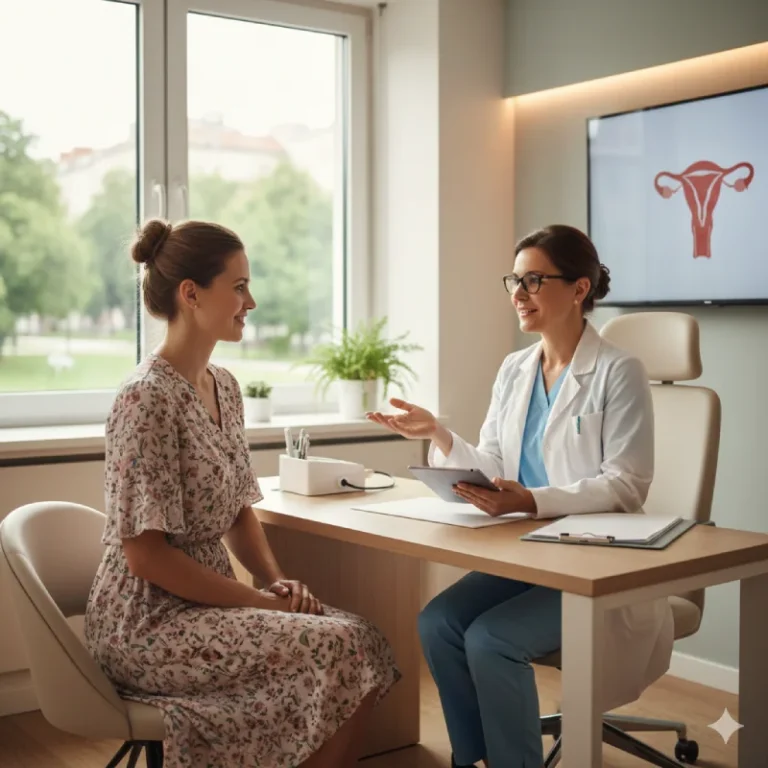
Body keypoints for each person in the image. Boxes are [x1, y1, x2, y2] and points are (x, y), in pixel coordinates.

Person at [84, 219, 400, 768]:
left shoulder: (225, 388)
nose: (250, 302)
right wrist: (257, 602)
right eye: (238, 287)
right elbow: (145, 556)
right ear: (191, 294)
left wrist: (275, 581)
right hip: (147, 621)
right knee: (337, 645)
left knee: (362, 636)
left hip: (208, 602)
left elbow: (237, 510)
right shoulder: (144, 399)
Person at [366, 224, 674, 768]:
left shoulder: (618, 371)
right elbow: (494, 462)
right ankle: (473, 758)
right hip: (526, 553)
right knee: (437, 623)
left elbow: (626, 485)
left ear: (579, 289)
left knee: (491, 639)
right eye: (514, 280)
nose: (518, 293)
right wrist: (438, 433)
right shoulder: (515, 369)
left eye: (533, 280)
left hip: (592, 560)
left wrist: (530, 500)